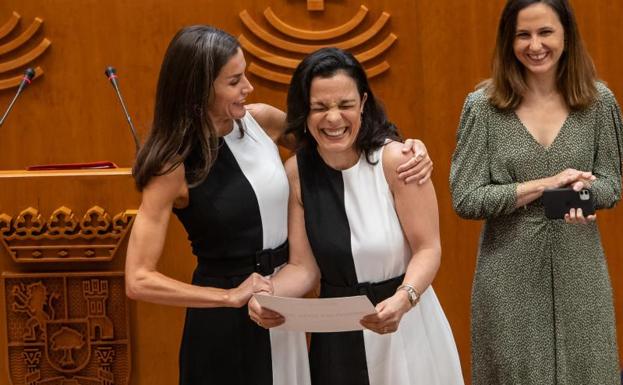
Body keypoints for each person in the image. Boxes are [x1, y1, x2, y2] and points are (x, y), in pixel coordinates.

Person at [125, 26, 433, 385]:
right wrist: (227, 297)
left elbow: (339, 136)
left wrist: (408, 146)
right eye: (235, 81)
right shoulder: (172, 167)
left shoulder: (260, 120)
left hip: (282, 302)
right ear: (200, 88)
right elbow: (138, 279)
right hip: (225, 321)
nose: (248, 88)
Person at [249, 47, 464, 385]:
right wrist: (266, 295)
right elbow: (304, 269)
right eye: (319, 107)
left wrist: (404, 298)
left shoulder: (397, 161)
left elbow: (428, 248)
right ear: (304, 109)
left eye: (345, 105)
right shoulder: (297, 173)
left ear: (363, 103)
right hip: (336, 333)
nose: (333, 119)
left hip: (404, 322)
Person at [449, 1, 623, 384]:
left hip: (580, 269)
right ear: (508, 42)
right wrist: (542, 186)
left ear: (566, 36)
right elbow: (465, 197)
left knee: (588, 373)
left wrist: (588, 193)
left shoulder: (598, 102)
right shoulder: (483, 108)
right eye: (522, 35)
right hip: (507, 273)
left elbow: (613, 182)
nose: (534, 45)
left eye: (545, 32)